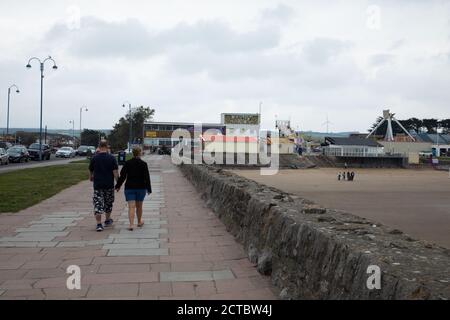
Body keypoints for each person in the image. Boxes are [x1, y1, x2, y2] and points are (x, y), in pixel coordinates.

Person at [115, 147, 152, 231]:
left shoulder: (127, 163)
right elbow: (147, 177)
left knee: (131, 206)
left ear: (133, 153)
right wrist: (149, 189)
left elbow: (123, 176)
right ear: (140, 153)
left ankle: (131, 224)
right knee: (139, 206)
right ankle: (139, 222)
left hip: (129, 187)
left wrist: (118, 186)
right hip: (141, 188)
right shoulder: (143, 164)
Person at [89, 140, 119, 232]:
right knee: (108, 203)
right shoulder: (112, 158)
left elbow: (91, 169)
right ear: (107, 146)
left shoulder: (94, 158)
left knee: (98, 204)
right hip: (109, 185)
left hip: (98, 185)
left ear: (99, 146)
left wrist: (91, 176)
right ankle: (107, 220)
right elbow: (115, 172)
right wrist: (118, 183)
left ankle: (98, 224)